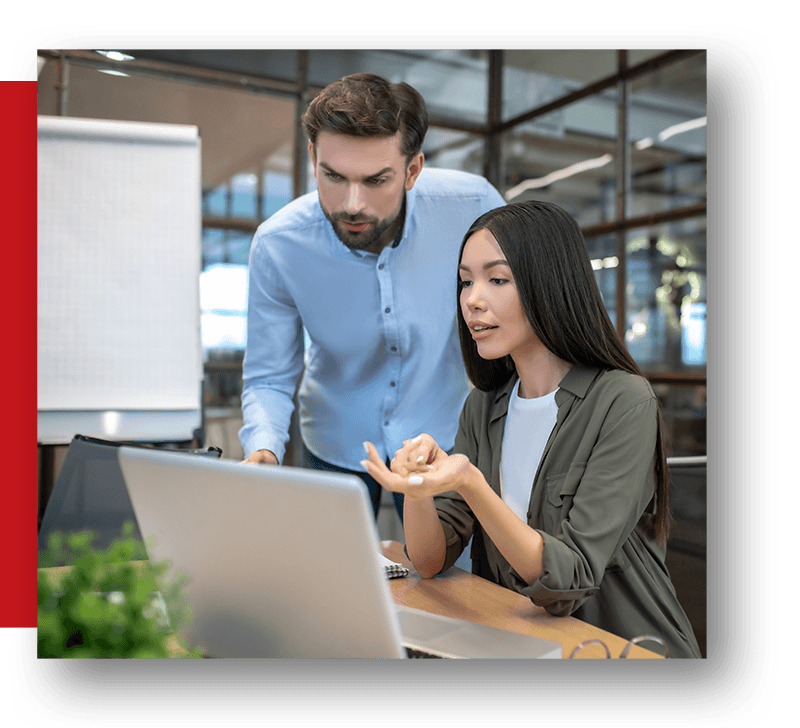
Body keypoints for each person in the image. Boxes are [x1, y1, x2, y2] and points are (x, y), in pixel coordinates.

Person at [361, 200, 702, 658]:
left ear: (549, 284)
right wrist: (418, 488)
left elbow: (568, 580)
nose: (472, 299)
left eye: (497, 279)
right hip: (519, 639)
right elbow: (428, 560)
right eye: (466, 281)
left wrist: (470, 481)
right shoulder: (484, 405)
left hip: (620, 645)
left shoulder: (623, 401)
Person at [239, 73, 506, 521]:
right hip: (332, 439)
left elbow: (520, 319)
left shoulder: (474, 206)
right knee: (329, 580)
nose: (352, 204)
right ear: (313, 158)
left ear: (413, 170)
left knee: (453, 585)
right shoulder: (278, 245)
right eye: (334, 177)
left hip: (443, 438)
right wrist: (263, 448)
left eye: (376, 180)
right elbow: (269, 375)